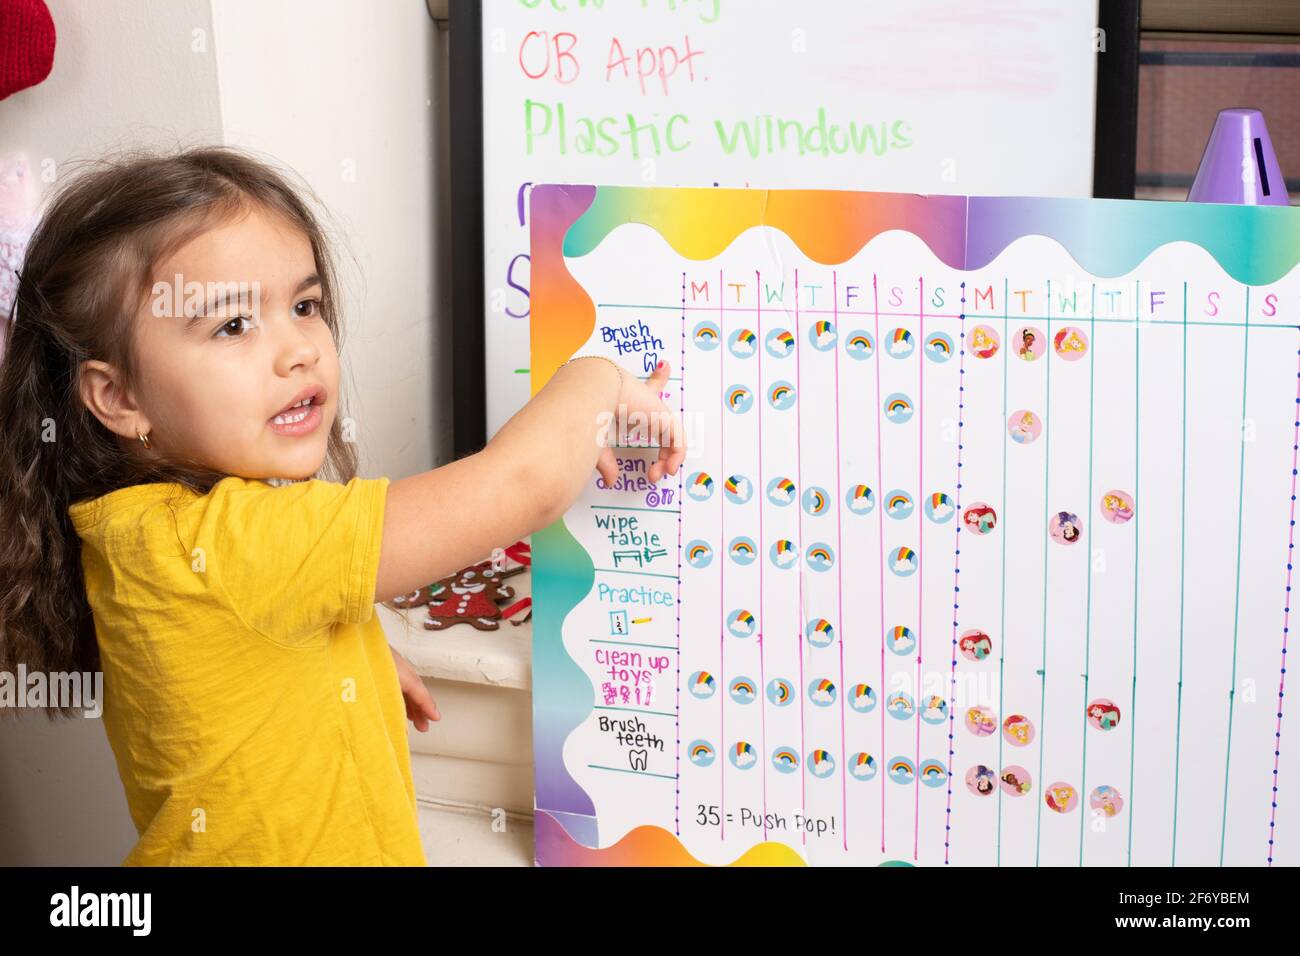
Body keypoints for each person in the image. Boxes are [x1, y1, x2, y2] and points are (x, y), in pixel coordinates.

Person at [0, 146, 684, 865]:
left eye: (304, 306)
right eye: (233, 325)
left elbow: (229, 656)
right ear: (120, 398)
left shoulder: (147, 532)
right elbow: (520, 485)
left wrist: (343, 657)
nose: (298, 349)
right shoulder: (237, 543)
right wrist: (596, 378)